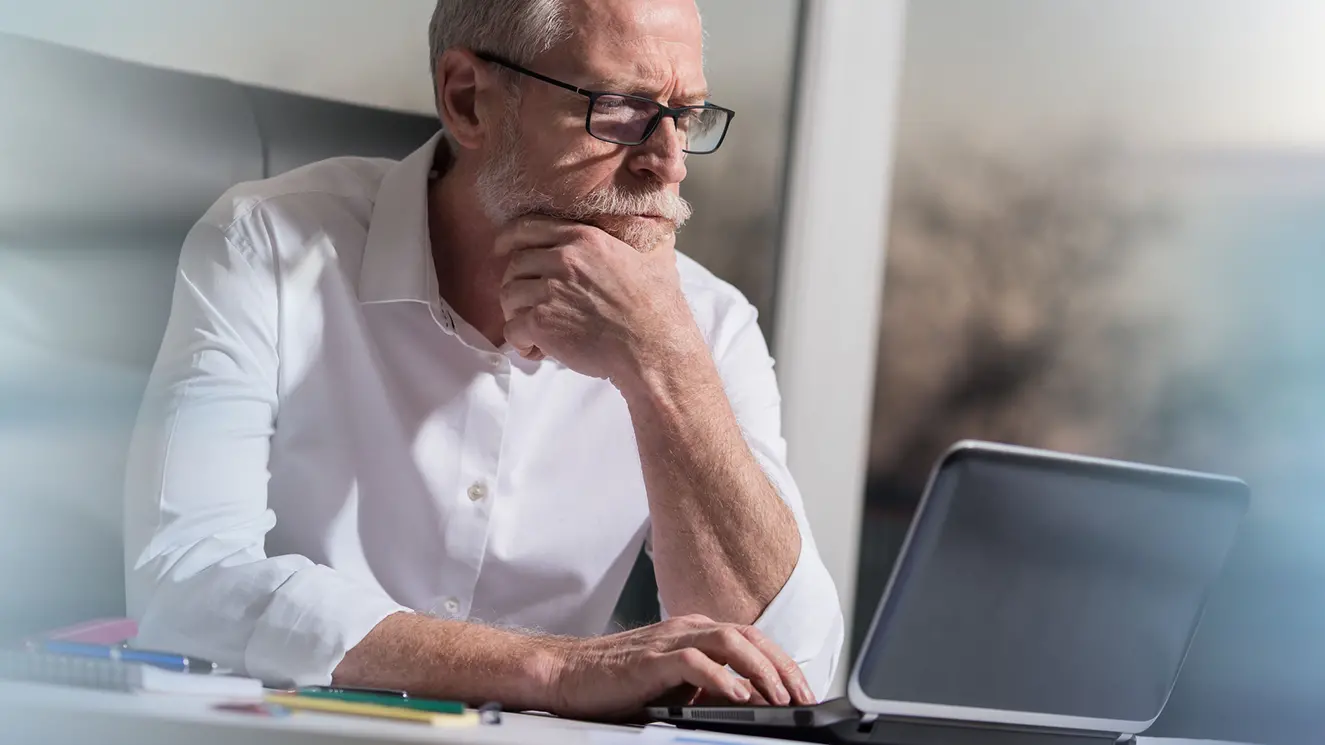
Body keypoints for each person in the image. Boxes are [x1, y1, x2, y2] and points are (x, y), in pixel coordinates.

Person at [123, 0, 842, 719]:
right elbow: (187, 582)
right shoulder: (262, 245)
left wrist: (662, 364)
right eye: (622, 109)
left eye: (686, 116)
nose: (669, 162)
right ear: (468, 100)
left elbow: (788, 669)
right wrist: (554, 669)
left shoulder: (707, 327)